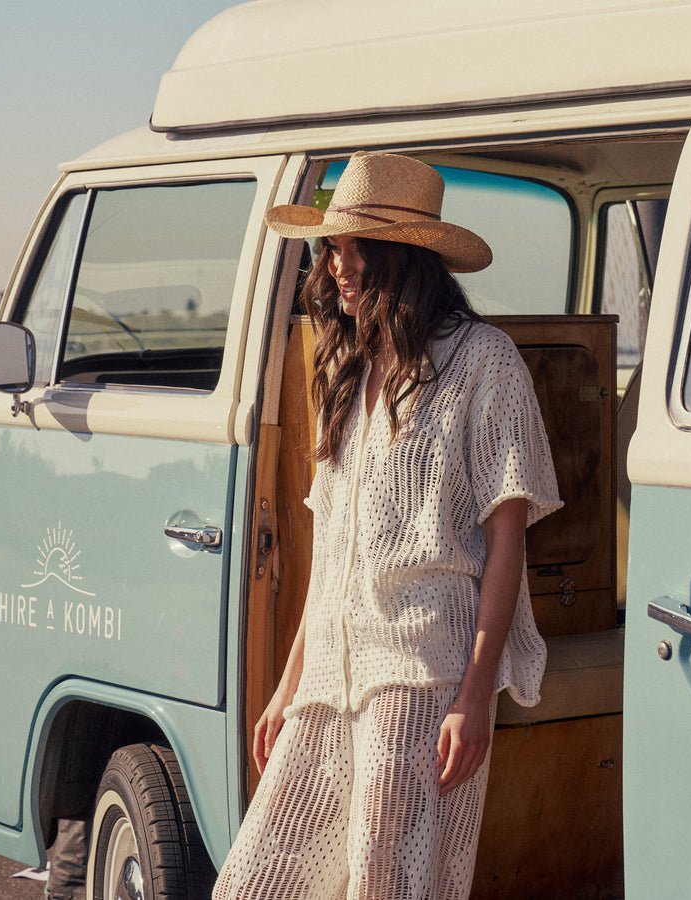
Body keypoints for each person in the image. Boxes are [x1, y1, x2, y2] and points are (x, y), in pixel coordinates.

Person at [213, 151, 562, 900]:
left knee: (387, 888)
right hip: (332, 672)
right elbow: (335, 554)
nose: (336, 264)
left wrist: (474, 692)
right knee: (252, 883)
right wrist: (286, 686)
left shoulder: (485, 363)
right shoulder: (347, 365)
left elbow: (507, 542)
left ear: (402, 254)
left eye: (350, 246)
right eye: (330, 248)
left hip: (423, 673)